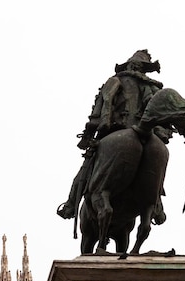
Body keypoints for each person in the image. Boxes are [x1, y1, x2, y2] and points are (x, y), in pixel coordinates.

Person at [57, 50, 163, 220]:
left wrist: (88, 135)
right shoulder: (151, 88)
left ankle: (70, 205)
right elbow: (157, 112)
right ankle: (156, 204)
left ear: (128, 65)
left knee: (86, 167)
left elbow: (98, 112)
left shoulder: (115, 81)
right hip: (146, 133)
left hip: (114, 131)